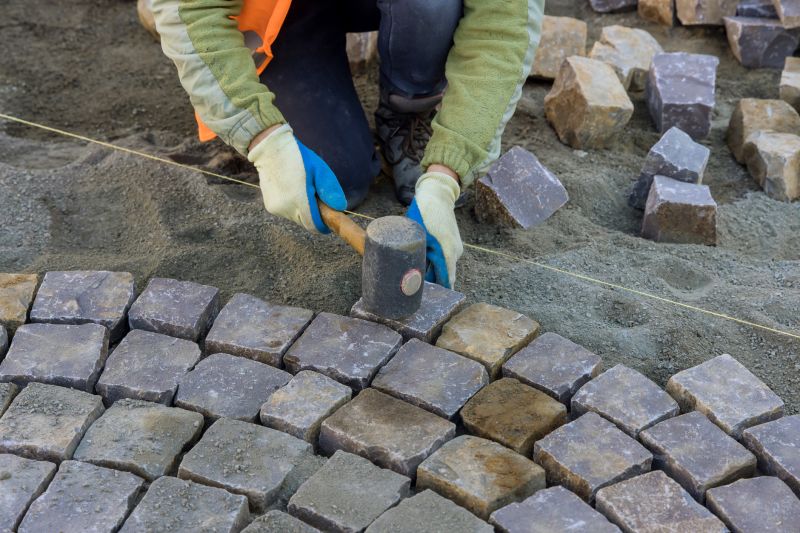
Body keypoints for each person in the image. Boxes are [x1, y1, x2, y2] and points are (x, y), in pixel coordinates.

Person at [152, 0, 543, 288]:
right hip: (280, 10)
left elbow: (504, 25)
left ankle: (409, 113)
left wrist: (448, 171)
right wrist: (262, 136)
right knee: (337, 178)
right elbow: (191, 12)